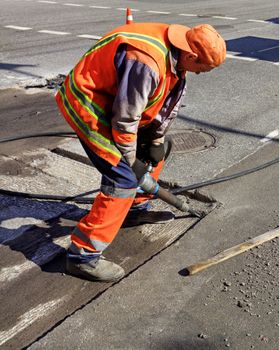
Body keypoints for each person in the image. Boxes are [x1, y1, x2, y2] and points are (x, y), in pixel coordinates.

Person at [55, 22, 226, 282]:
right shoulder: (147, 62)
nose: (204, 73)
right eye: (205, 68)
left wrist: (155, 141)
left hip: (117, 104)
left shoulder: (178, 54)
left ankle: (134, 209)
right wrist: (131, 160)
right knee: (122, 177)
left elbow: (168, 101)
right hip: (90, 105)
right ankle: (82, 256)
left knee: (156, 151)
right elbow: (124, 120)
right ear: (192, 55)